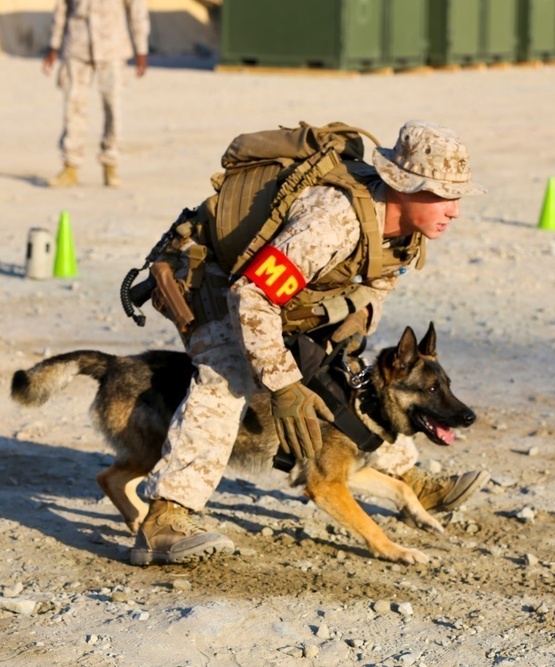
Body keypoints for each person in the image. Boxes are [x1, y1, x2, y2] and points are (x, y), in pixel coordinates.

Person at [131, 120, 491, 566]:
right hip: (211, 278)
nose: (453, 209)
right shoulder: (331, 221)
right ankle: (165, 518)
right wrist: (282, 385)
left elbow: (377, 284)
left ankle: (405, 479)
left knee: (354, 376)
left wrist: (346, 329)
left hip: (290, 295)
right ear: (402, 187)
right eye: (440, 194)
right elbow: (253, 295)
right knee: (229, 372)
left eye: (455, 196)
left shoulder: (407, 227)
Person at [42, 0, 150, 188]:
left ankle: (110, 164)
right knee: (73, 108)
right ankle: (70, 167)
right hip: (77, 46)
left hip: (112, 47)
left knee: (113, 108)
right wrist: (54, 45)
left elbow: (137, 8)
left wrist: (141, 48)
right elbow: (61, 8)